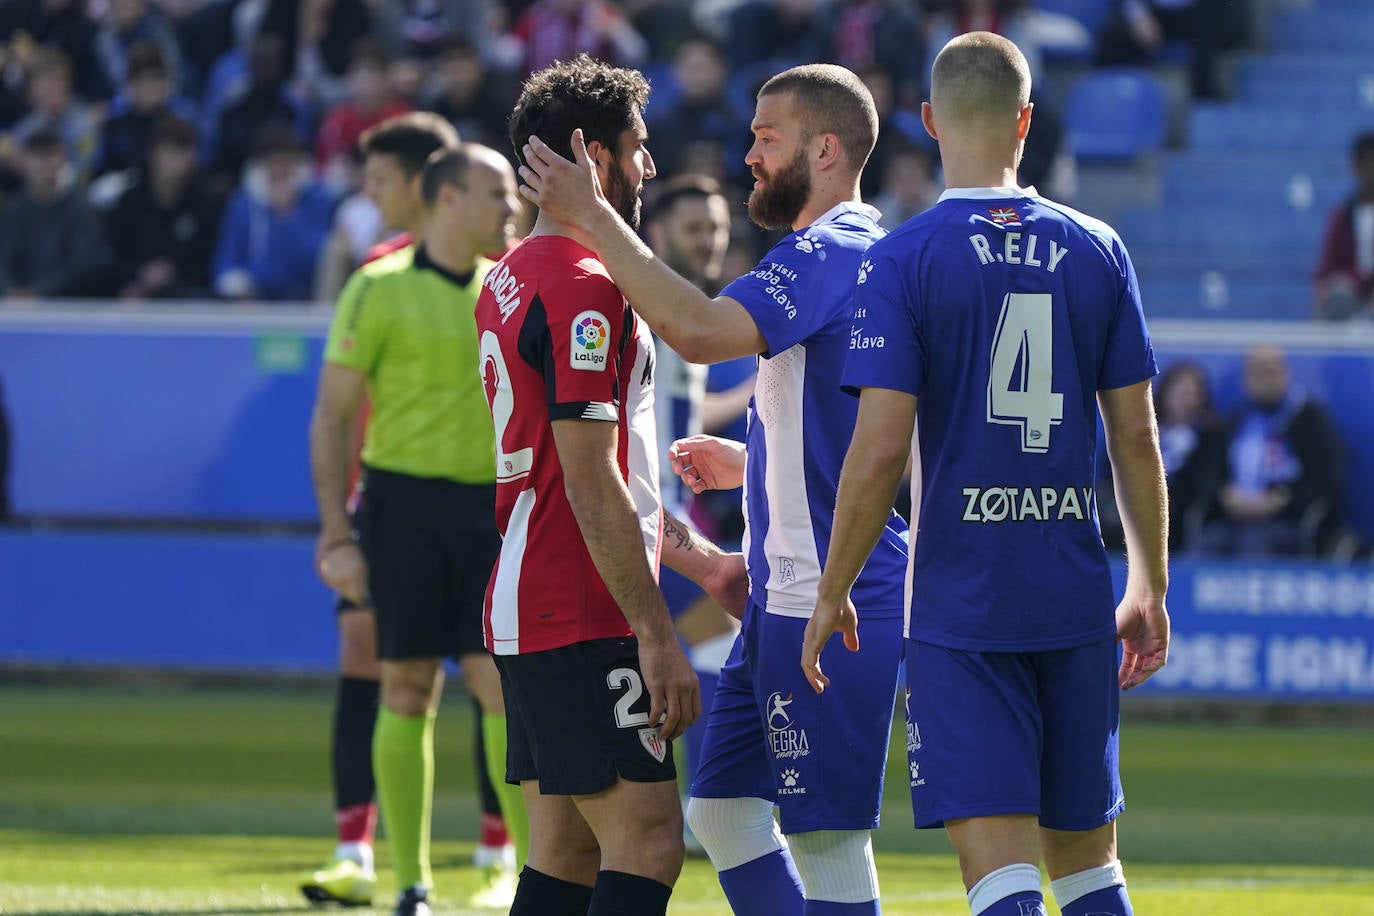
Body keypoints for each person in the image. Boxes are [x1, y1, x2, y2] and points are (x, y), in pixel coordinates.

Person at [517, 61, 908, 916]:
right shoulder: (826, 255)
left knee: (828, 840)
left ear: (829, 147)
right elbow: (836, 410)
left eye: (768, 136)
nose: (750, 155)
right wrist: (753, 463)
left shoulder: (830, 248)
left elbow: (695, 330)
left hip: (831, 594)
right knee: (724, 811)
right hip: (781, 588)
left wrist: (590, 217)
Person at [801, 32, 1170, 916]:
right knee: (1088, 866)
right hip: (1076, 597)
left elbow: (881, 447)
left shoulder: (903, 257)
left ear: (927, 122)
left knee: (1000, 871)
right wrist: (1151, 580)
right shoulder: (1099, 248)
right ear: (1027, 122)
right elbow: (1137, 435)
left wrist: (833, 589)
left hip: (964, 607)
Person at [476, 54, 747, 916]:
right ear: (594, 157)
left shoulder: (512, 274)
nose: (652, 167)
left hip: (530, 592)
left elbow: (600, 478)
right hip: (580, 605)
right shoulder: (585, 290)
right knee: (652, 841)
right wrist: (656, 634)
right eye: (640, 146)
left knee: (567, 850)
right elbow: (593, 487)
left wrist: (701, 564)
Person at [304, 110, 523, 910]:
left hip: (495, 512)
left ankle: (527, 877)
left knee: (502, 690)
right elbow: (330, 420)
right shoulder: (378, 287)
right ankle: (409, 885)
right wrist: (338, 532)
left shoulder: (515, 285)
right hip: (400, 510)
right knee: (404, 689)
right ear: (449, 198)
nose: (510, 208)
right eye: (496, 193)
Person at [642, 175, 743, 824]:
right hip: (647, 514)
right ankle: (708, 807)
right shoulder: (645, 308)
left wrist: (755, 391)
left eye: (717, 230)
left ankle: (691, 806)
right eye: (694, 229)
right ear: (656, 235)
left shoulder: (686, 311)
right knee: (721, 644)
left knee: (711, 645)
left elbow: (680, 408)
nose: (709, 242)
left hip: (668, 513)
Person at [1193, 344, 1347, 557]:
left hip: (1288, 520)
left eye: (1272, 370)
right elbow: (1209, 473)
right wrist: (1225, 495)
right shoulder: (1236, 421)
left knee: (1255, 544)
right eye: (1258, 372)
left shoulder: (1309, 419)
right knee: (1208, 544)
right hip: (1234, 519)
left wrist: (1280, 498)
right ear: (1245, 381)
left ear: (1286, 374)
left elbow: (1325, 479)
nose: (1266, 379)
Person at [105, 114, 221, 301]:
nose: (179, 161)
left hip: (185, 294)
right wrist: (140, 275)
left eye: (185, 152)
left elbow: (206, 262)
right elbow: (115, 256)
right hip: (135, 289)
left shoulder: (205, 203)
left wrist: (171, 275)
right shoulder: (129, 202)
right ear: (153, 154)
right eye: (171, 152)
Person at [0, 128, 109, 300]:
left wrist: (38, 293)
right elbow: (3, 260)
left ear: (63, 159)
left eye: (50, 155)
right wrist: (9, 291)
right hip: (14, 305)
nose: (43, 164)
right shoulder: (14, 209)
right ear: (24, 161)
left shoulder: (80, 208)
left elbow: (81, 267)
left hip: (65, 307)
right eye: (36, 156)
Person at [1314, 131, 1374, 321]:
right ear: (1355, 166)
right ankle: (1328, 349)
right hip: (1351, 293)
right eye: (1365, 163)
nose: (1370, 169)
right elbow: (1328, 268)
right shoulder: (1342, 215)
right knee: (1339, 293)